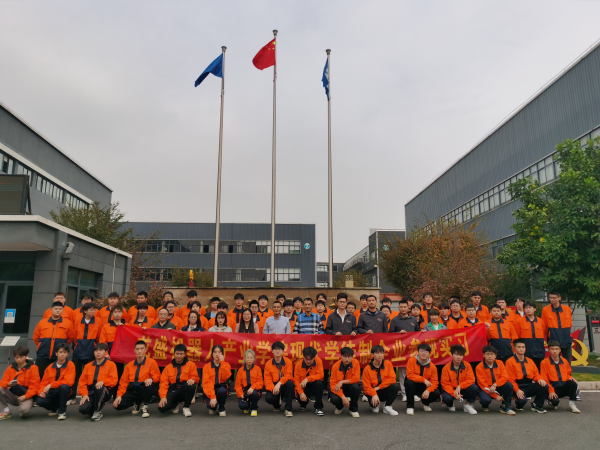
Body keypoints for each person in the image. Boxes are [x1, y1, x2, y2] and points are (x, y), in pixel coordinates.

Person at [113, 340, 161, 418]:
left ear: (145, 350)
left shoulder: (152, 362)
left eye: (142, 349)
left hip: (143, 389)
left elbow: (158, 376)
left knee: (149, 386)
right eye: (137, 349)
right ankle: (136, 403)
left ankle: (145, 405)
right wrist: (119, 396)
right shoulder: (129, 365)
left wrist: (151, 379)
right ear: (134, 350)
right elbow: (123, 382)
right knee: (117, 406)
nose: (139, 351)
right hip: (132, 391)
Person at [505, 339, 549, 413]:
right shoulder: (509, 362)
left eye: (523, 347)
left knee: (544, 385)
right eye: (519, 347)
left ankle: (537, 405)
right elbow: (510, 380)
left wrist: (539, 379)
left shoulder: (530, 361)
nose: (521, 349)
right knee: (522, 402)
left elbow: (536, 375)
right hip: (517, 386)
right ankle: (518, 404)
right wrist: (517, 390)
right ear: (514, 348)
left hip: (528, 385)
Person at [70, 302, 102, 404]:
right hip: (78, 350)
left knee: (89, 375)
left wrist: (95, 346)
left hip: (90, 351)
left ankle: (88, 396)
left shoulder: (98, 320)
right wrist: (77, 345)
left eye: (94, 310)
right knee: (75, 375)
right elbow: (74, 335)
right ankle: (72, 397)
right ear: (85, 311)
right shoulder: (78, 320)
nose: (93, 311)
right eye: (91, 310)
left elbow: (99, 336)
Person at [33, 301, 73, 381]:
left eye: (60, 309)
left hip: (59, 355)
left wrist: (63, 345)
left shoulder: (67, 323)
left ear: (62, 310)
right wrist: (42, 344)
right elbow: (36, 337)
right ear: (51, 310)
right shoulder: (42, 322)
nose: (58, 310)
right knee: (40, 375)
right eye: (56, 309)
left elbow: (70, 337)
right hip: (43, 354)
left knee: (57, 376)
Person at [78, 343, 118, 421]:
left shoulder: (111, 365)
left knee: (100, 388)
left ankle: (97, 411)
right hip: (91, 392)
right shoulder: (88, 366)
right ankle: (96, 406)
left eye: (101, 350)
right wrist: (84, 394)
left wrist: (103, 382)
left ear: (106, 352)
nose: (98, 352)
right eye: (96, 350)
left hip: (105, 391)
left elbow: (114, 380)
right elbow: (82, 382)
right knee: (83, 410)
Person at [388, 298, 419, 402]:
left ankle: (413, 392)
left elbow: (417, 332)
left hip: (412, 350)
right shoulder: (395, 320)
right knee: (402, 373)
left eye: (405, 307)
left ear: (408, 308)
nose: (403, 309)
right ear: (398, 308)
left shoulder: (413, 319)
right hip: (401, 351)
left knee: (413, 372)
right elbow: (390, 334)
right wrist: (398, 333)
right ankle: (404, 393)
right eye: (401, 307)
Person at [158, 344, 199, 416]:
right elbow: (163, 383)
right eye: (177, 354)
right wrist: (163, 397)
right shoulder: (168, 368)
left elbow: (196, 377)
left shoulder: (191, 365)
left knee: (192, 386)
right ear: (174, 354)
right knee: (162, 408)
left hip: (184, 389)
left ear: (185, 354)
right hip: (173, 390)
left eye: (181, 354)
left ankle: (186, 407)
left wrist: (193, 379)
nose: (179, 356)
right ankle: (175, 404)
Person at [37, 344, 75, 420]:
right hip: (52, 391)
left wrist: (51, 385)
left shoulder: (70, 365)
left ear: (67, 354)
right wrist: (42, 392)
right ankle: (54, 408)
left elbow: (68, 382)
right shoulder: (50, 367)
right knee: (40, 401)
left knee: (64, 387)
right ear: (56, 353)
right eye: (60, 352)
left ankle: (62, 412)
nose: (62, 354)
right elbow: (43, 383)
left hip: (64, 391)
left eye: (64, 352)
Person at [0, 346, 40, 420]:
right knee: (1, 388)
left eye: (21, 357)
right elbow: (2, 382)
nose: (18, 359)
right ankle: (6, 411)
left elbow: (35, 386)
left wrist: (25, 396)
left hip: (26, 396)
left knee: (23, 413)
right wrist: (8, 384)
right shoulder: (10, 368)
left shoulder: (33, 368)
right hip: (13, 395)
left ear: (26, 356)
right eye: (16, 357)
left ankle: (27, 406)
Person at [540, 341, 580, 413]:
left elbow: (567, 373)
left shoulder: (565, 361)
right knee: (555, 403)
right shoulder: (544, 362)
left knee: (573, 383)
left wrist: (569, 378)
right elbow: (544, 379)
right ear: (549, 350)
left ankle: (571, 405)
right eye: (552, 349)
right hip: (552, 388)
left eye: (556, 349)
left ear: (560, 350)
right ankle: (550, 400)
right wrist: (551, 391)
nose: (555, 351)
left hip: (562, 387)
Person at [475, 345, 516, 415]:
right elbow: (482, 384)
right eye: (487, 354)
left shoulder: (500, 363)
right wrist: (496, 396)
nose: (490, 356)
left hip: (497, 386)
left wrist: (495, 385)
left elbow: (504, 377)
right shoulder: (479, 367)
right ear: (483, 355)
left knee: (509, 385)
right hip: (486, 388)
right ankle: (485, 405)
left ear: (495, 355)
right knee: (485, 400)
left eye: (492, 354)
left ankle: (505, 406)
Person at [440, 344, 478, 414]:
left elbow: (471, 379)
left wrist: (460, 386)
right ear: (452, 355)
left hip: (463, 388)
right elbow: (445, 384)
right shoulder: (446, 368)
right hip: (451, 389)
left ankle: (468, 405)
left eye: (461, 355)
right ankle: (450, 405)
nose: (459, 357)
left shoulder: (467, 365)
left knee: (474, 387)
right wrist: (454, 393)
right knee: (447, 398)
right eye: (456, 355)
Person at [405, 343, 441, 415]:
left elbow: (434, 382)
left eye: (426, 351)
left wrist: (428, 390)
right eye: (421, 351)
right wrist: (423, 380)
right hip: (413, 384)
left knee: (436, 393)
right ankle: (410, 406)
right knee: (409, 383)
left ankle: (425, 403)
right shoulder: (411, 360)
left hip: (425, 387)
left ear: (429, 354)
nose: (423, 353)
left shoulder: (432, 366)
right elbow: (410, 375)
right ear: (418, 352)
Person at [362, 345, 399, 415]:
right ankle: (376, 405)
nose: (380, 355)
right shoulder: (367, 369)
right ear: (372, 354)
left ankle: (387, 406)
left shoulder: (388, 364)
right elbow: (366, 387)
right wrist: (374, 394)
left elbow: (393, 379)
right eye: (377, 353)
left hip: (384, 389)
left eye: (381, 353)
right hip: (373, 391)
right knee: (374, 407)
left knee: (394, 386)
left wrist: (379, 387)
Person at [264, 341, 295, 416]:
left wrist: (279, 383)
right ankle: (276, 405)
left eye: (280, 349)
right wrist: (273, 388)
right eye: (275, 349)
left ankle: (288, 409)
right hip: (274, 386)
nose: (277, 351)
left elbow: (288, 375)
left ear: (283, 351)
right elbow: (267, 380)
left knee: (290, 384)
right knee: (268, 398)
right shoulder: (268, 364)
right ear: (272, 351)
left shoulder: (288, 362)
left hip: (284, 385)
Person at [541, 292, 573, 365]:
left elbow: (570, 324)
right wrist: (549, 335)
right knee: (554, 362)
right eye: (550, 298)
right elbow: (544, 326)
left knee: (567, 363)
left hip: (566, 340)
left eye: (554, 298)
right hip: (553, 340)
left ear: (559, 298)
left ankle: (567, 373)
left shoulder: (567, 309)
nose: (552, 300)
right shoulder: (545, 310)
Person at [329, 347, 361, 417]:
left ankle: (353, 409)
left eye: (349, 357)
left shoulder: (355, 363)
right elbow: (333, 385)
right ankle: (339, 407)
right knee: (334, 399)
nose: (347, 359)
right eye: (345, 356)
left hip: (349, 386)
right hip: (339, 389)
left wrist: (342, 381)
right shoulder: (335, 366)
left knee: (356, 387)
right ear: (341, 356)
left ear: (352, 357)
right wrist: (343, 397)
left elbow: (356, 378)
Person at [514, 301, 546, 369]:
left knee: (539, 370)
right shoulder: (519, 321)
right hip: (525, 352)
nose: (528, 309)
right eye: (526, 308)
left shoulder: (541, 321)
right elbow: (516, 337)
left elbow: (543, 333)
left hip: (539, 352)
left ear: (534, 309)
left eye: (530, 307)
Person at [294, 346, 325, 416]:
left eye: (310, 359)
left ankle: (318, 407)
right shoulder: (298, 364)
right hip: (303, 386)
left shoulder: (318, 361)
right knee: (300, 397)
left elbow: (321, 375)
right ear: (303, 357)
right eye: (306, 359)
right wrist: (301, 393)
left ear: (314, 357)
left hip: (314, 385)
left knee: (319, 383)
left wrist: (308, 379)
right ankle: (303, 405)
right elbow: (296, 381)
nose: (308, 361)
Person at [202, 345, 231, 416]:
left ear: (222, 354)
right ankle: (213, 407)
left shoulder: (226, 365)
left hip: (221, 387)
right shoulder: (206, 367)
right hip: (210, 390)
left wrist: (222, 362)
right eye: (215, 352)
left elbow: (226, 376)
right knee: (212, 408)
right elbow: (207, 383)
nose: (217, 354)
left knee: (222, 391)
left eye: (219, 352)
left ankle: (221, 407)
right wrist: (212, 397)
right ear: (212, 354)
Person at [235, 349, 263, 416]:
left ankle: (254, 408)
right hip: (244, 392)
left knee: (253, 394)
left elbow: (260, 382)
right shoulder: (240, 370)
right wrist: (241, 395)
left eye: (251, 358)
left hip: (254, 390)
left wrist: (252, 388)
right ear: (245, 359)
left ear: (254, 359)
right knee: (242, 406)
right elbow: (238, 386)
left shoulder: (257, 369)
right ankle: (246, 406)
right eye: (247, 358)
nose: (249, 360)